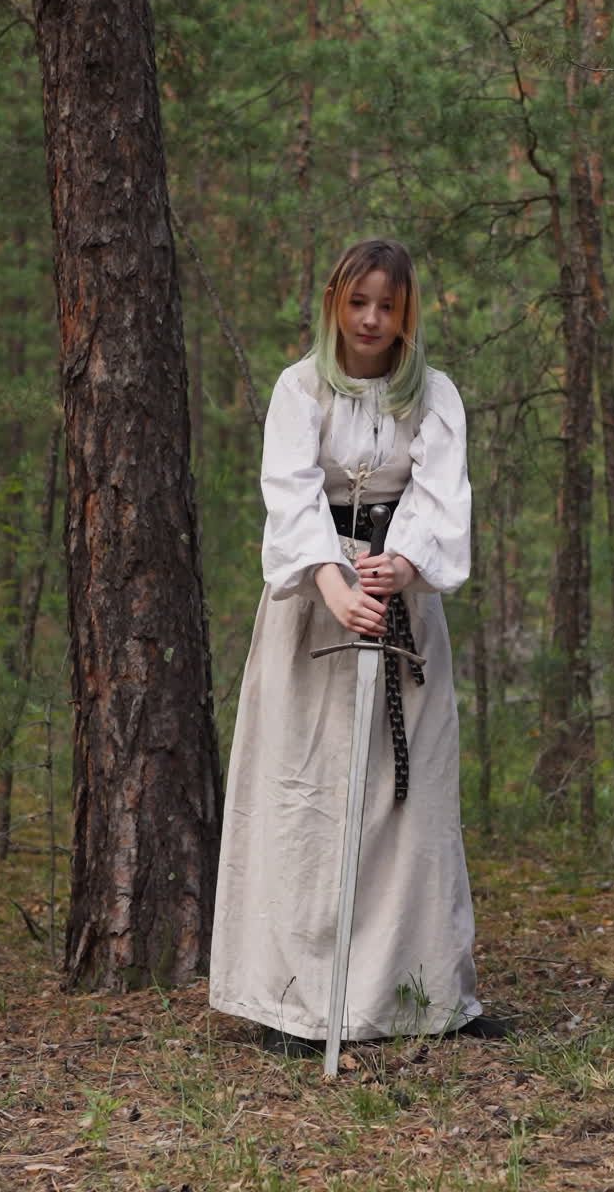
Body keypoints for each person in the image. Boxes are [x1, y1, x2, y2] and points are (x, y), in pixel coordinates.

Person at [209, 238, 505, 1054]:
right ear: (335, 302)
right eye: (359, 302)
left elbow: (444, 497)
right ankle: (300, 1004)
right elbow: (290, 495)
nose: (372, 319)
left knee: (408, 809)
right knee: (307, 798)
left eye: (389, 305)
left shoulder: (433, 395)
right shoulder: (299, 389)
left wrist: (400, 565)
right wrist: (336, 585)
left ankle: (424, 998)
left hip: (402, 614)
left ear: (407, 314)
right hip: (314, 616)